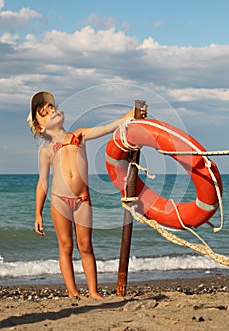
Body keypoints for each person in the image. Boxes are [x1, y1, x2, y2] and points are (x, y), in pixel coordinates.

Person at [27, 91, 146, 300]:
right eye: (45, 113)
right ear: (40, 127)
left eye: (52, 108)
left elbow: (105, 128)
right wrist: (38, 213)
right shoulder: (45, 150)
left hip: (82, 200)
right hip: (59, 202)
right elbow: (42, 183)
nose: (52, 111)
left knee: (85, 246)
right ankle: (73, 292)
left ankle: (93, 291)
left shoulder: (78, 135)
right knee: (66, 246)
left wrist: (130, 115)